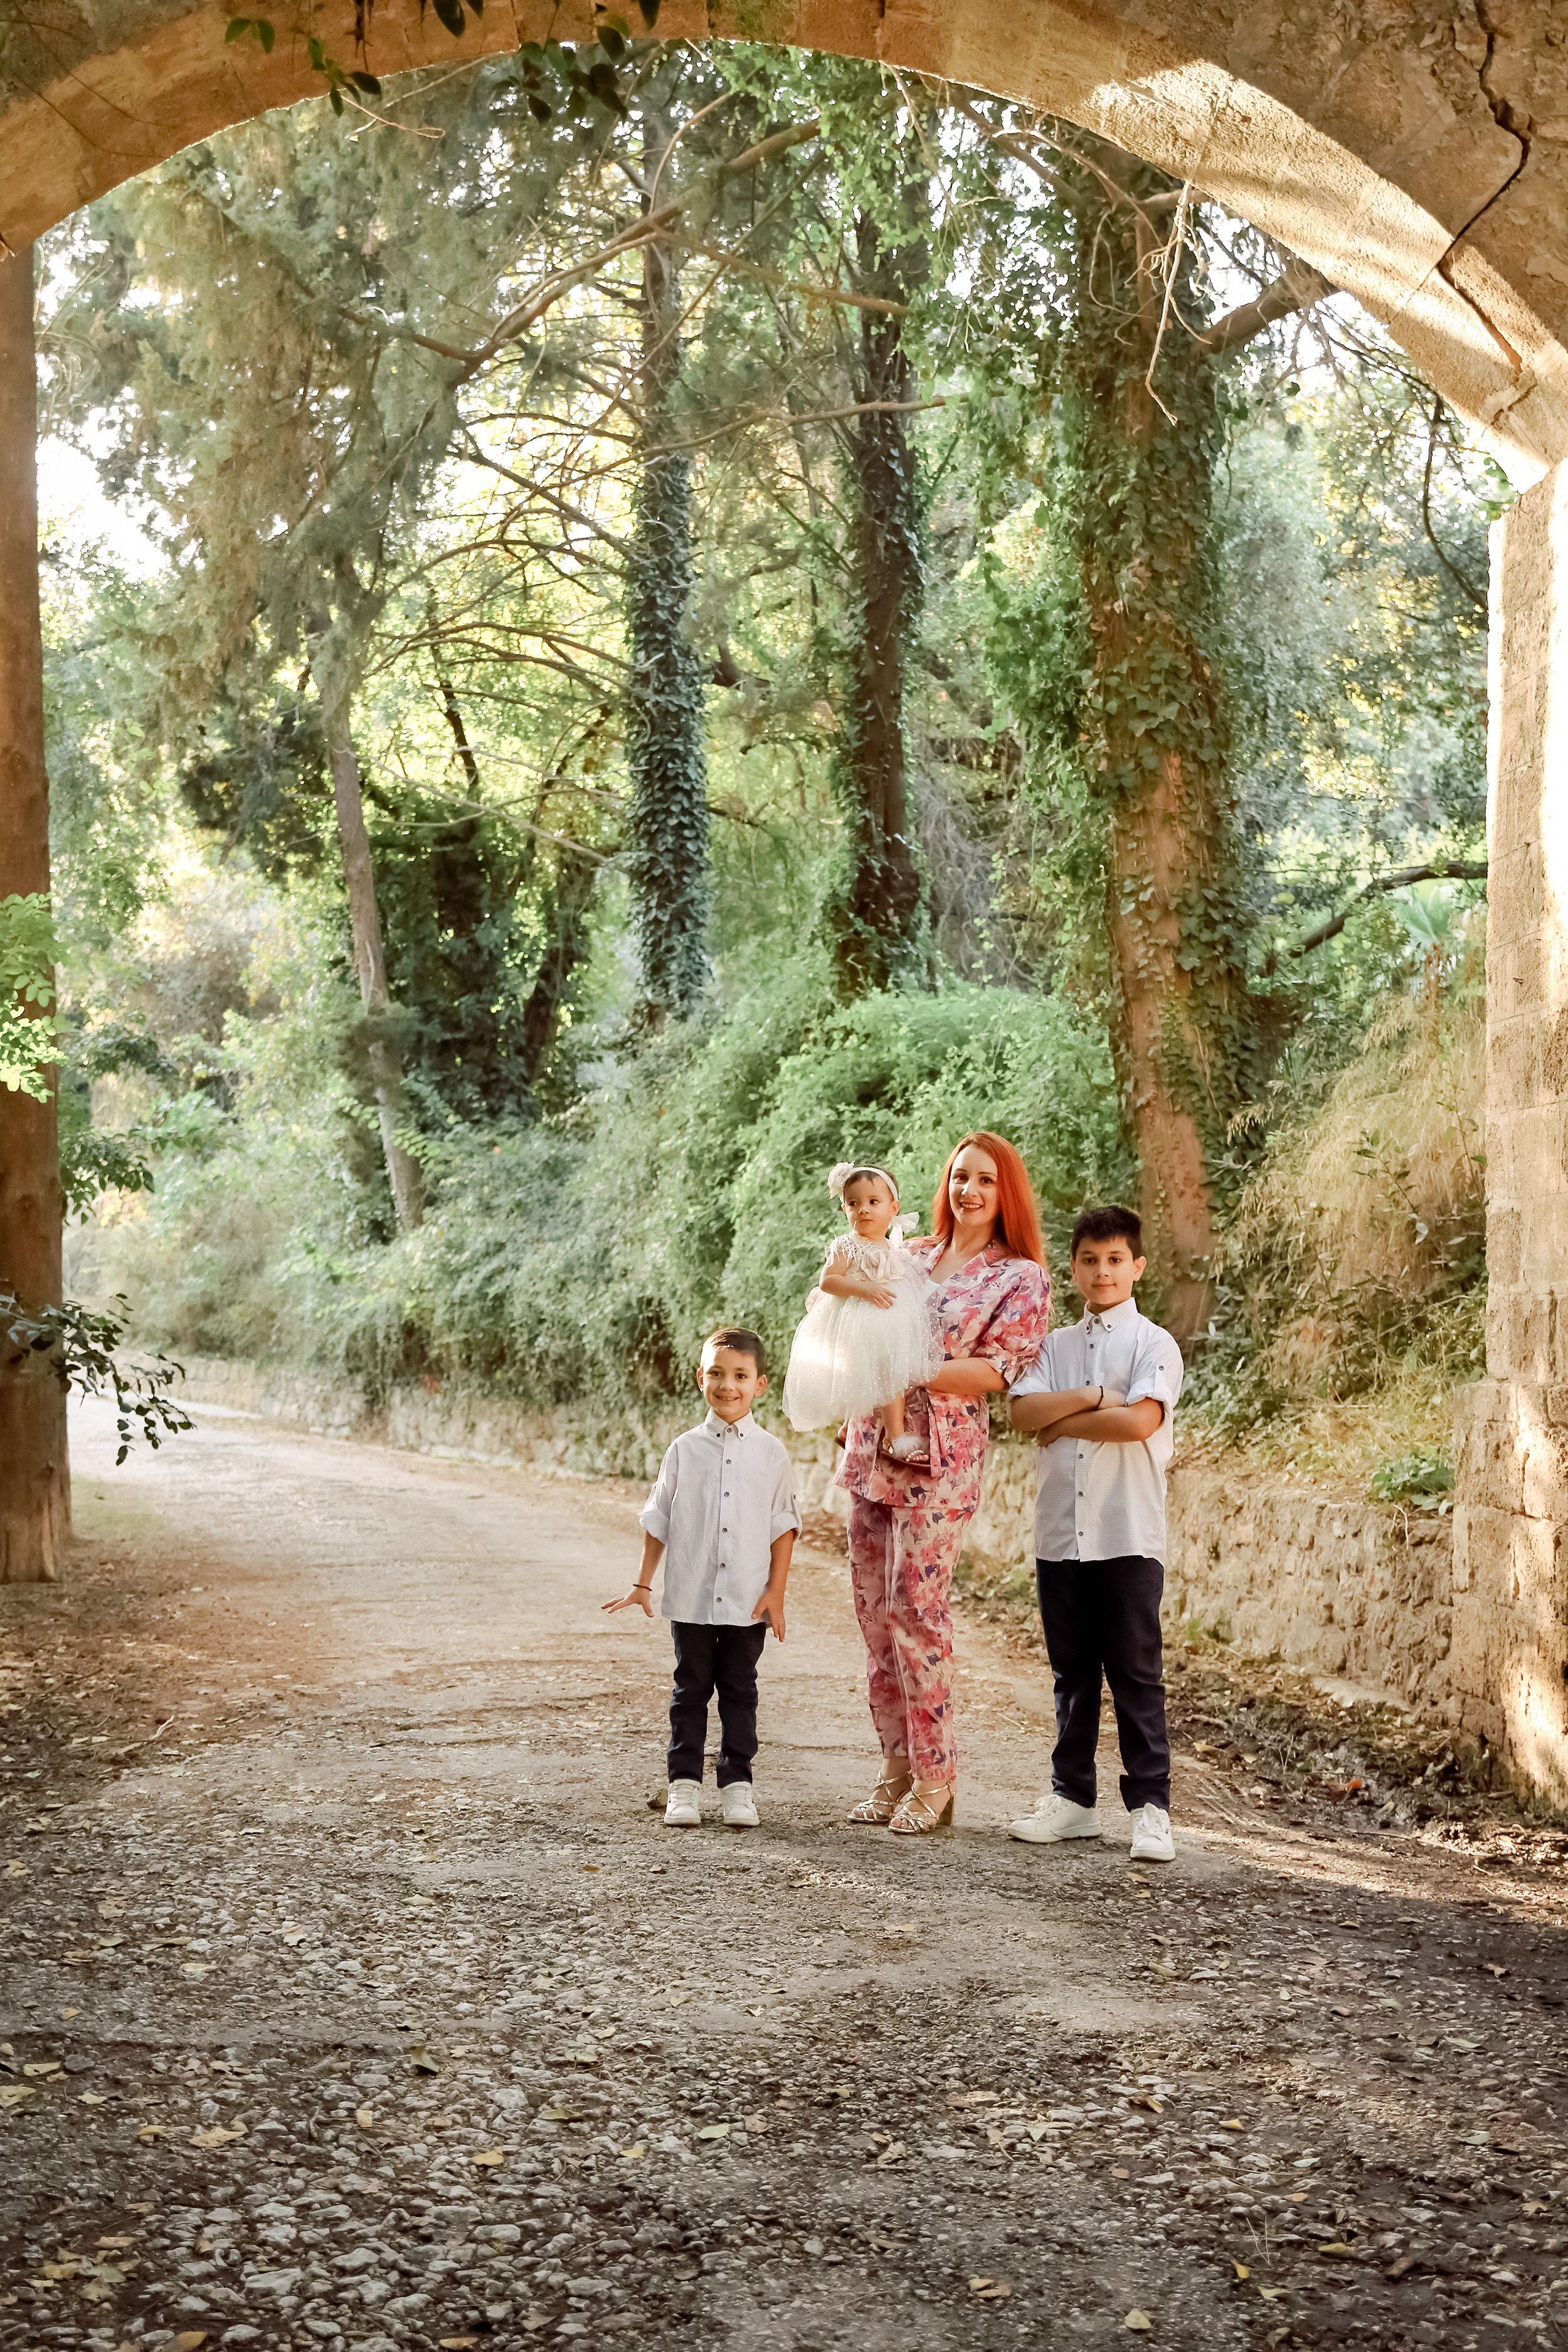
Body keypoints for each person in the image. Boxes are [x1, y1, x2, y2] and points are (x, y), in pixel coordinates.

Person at [839, 1132, 1051, 1836]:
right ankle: (895, 1766)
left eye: (985, 1180)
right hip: (874, 1445)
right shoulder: (910, 1255)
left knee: (915, 1610)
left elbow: (998, 1372)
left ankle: (937, 1774)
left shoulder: (1017, 1277)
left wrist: (913, 1364)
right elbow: (856, 1323)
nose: (969, 1190)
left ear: (1005, 1192)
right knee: (873, 1615)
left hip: (943, 1456)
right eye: (961, 1176)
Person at [1005, 1204, 1184, 1865]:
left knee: (1136, 1674)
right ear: (1074, 1267)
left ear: (1136, 1266)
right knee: (1071, 1675)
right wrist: (1095, 1397)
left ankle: (1150, 1811)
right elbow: (1024, 1412)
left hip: (1127, 1531)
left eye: (1115, 1260)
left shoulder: (1153, 1344)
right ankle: (1073, 1801)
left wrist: (1068, 1415)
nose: (1102, 1272)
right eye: (1090, 1260)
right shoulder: (1050, 1346)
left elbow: (1140, 1424)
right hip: (1060, 1536)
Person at [603, 1327, 799, 1830]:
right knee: (689, 1691)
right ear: (700, 1379)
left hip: (747, 1601)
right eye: (716, 1373)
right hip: (690, 1598)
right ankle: (682, 1787)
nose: (727, 1385)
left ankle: (738, 1788)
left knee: (740, 1691)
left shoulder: (772, 1454)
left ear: (760, 1384)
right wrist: (643, 1584)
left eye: (740, 1375)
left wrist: (776, 1591)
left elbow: (783, 1526)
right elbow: (659, 1520)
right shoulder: (684, 1450)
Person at [783, 1162, 941, 1461]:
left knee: (889, 1372)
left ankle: (853, 1427)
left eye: (873, 1202)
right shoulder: (846, 1245)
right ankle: (896, 1436)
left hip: (886, 1319)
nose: (863, 1210)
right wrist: (864, 1289)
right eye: (854, 1204)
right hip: (855, 1321)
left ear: (893, 1208)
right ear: (845, 1209)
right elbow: (828, 1281)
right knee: (883, 1371)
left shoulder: (896, 1248)